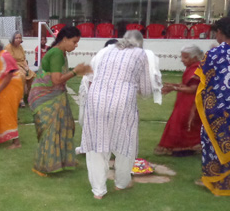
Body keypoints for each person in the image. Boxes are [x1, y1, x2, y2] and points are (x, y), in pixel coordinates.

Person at [79, 35, 153, 198]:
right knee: (125, 146)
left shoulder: (105, 51)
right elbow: (147, 90)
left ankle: (98, 191)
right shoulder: (140, 54)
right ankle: (121, 183)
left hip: (96, 101)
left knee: (96, 148)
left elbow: (89, 78)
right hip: (122, 104)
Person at [194, 17, 230, 196]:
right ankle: (228, 184)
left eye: (216, 32)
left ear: (221, 33)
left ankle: (213, 179)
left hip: (216, 107)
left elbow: (204, 80)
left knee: (212, 142)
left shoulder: (215, 53)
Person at [29, 26, 91, 176]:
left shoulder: (60, 52)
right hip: (45, 97)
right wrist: (76, 71)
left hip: (56, 95)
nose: (76, 45)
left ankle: (63, 160)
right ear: (64, 39)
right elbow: (56, 80)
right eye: (74, 42)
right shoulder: (56, 53)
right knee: (52, 130)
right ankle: (44, 166)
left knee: (65, 125)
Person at [154, 45, 203, 156]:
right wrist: (173, 85)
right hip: (185, 101)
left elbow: (193, 89)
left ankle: (183, 148)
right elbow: (186, 85)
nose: (182, 60)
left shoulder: (197, 69)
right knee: (181, 123)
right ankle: (185, 148)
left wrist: (173, 88)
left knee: (183, 124)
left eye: (185, 58)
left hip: (191, 103)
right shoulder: (193, 67)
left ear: (194, 58)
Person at [0, 35, 24, 148]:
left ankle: (16, 142)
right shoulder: (0, 56)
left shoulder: (4, 55)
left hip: (9, 89)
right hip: (5, 88)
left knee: (7, 114)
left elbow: (9, 75)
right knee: (0, 112)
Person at [5, 31, 35, 104]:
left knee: (33, 76)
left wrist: (27, 67)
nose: (18, 39)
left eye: (20, 38)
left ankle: (30, 96)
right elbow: (9, 60)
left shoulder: (20, 47)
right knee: (21, 75)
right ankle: (20, 99)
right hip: (13, 66)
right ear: (13, 39)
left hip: (22, 65)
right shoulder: (9, 47)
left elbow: (24, 59)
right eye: (16, 38)